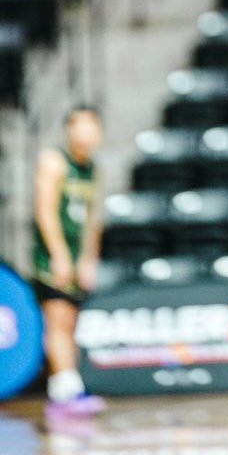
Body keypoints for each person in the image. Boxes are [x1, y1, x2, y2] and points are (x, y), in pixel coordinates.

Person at [31, 104, 105, 419]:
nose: (85, 134)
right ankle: (65, 389)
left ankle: (66, 384)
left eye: (91, 127)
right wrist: (60, 255)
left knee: (71, 321)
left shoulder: (92, 167)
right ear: (69, 130)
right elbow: (44, 211)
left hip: (76, 254)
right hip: (53, 254)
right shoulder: (53, 161)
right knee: (58, 318)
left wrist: (88, 258)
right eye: (80, 127)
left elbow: (92, 219)